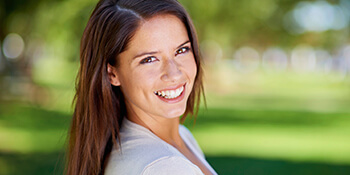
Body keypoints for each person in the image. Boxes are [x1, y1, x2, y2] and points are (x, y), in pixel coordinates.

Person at [66, 0, 217, 174]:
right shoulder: (164, 166)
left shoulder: (182, 138)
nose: (174, 73)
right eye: (149, 59)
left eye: (181, 50)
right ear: (112, 74)